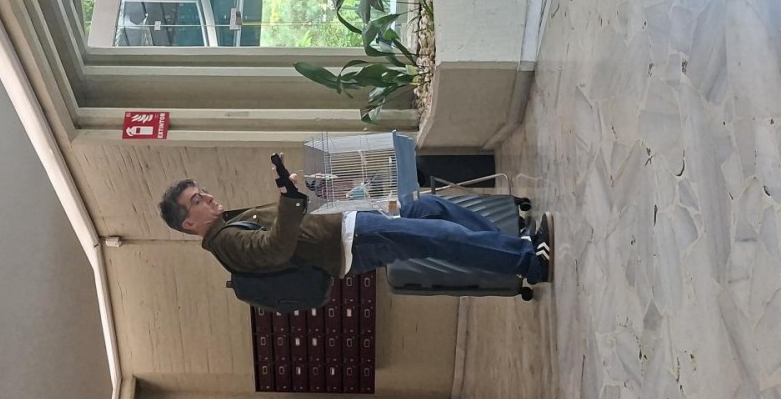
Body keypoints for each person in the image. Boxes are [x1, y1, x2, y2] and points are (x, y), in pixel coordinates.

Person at [156, 160, 555, 284]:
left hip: (353, 223)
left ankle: (515, 241)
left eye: (202, 192)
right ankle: (528, 262)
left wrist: (303, 196)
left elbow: (291, 228)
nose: (208, 197)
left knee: (431, 208)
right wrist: (290, 201)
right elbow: (275, 248)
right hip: (353, 241)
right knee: (438, 236)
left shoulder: (230, 224)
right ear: (189, 224)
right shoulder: (225, 243)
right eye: (197, 201)